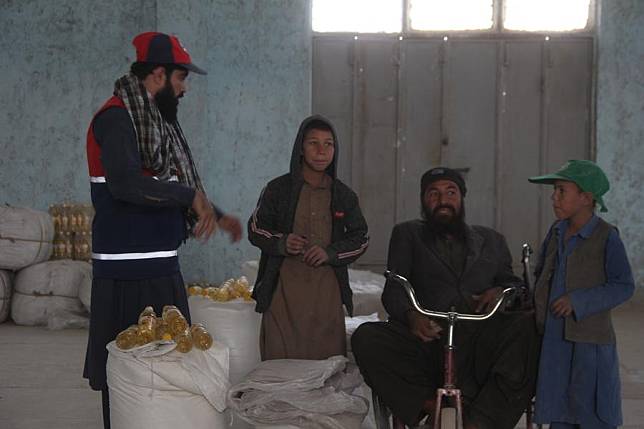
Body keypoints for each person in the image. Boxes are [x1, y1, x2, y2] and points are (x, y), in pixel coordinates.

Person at [83, 32, 242, 429]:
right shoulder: (117, 118)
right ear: (157, 73)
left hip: (160, 268)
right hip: (126, 275)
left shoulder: (156, 123)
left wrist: (216, 213)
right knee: (127, 375)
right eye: (181, 77)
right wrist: (190, 197)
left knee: (168, 371)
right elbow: (126, 185)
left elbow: (168, 185)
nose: (184, 88)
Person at [351, 167, 539, 429]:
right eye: (433, 193)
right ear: (423, 200)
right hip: (429, 339)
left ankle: (481, 422)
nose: (443, 200)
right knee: (366, 337)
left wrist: (499, 293)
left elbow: (514, 286)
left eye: (450, 192)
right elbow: (394, 288)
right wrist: (411, 316)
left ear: (461, 198)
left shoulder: (492, 240)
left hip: (481, 342)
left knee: (528, 329)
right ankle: (430, 407)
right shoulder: (407, 234)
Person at [248, 115, 369, 360]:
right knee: (281, 361)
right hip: (283, 289)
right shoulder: (278, 189)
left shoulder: (343, 195)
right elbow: (256, 229)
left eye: (329, 144)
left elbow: (361, 237)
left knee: (325, 366)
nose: (321, 151)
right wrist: (283, 242)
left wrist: (331, 252)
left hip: (326, 292)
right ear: (300, 148)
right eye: (313, 143)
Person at [528, 160, 634, 429]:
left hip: (590, 344)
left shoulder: (607, 237)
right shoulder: (556, 232)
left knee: (591, 414)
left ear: (586, 198)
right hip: (554, 341)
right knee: (558, 412)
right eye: (554, 190)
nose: (554, 197)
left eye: (561, 190)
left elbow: (623, 285)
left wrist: (579, 301)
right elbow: (541, 275)